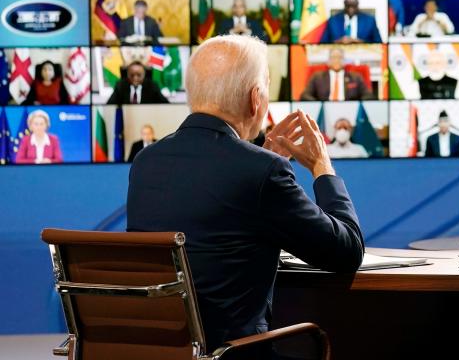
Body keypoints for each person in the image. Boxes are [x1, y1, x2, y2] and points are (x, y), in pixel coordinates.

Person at [127, 35, 364, 350]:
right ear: (256, 99)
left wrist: (264, 160)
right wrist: (322, 167)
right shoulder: (262, 173)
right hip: (233, 353)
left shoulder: (145, 162)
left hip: (160, 351)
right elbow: (346, 251)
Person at [300, 47, 371, 101]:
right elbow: (305, 95)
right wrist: (319, 104)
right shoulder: (317, 76)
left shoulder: (356, 77)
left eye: (339, 57)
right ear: (328, 61)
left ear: (344, 60)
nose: (336, 60)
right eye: (333, 57)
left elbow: (368, 95)